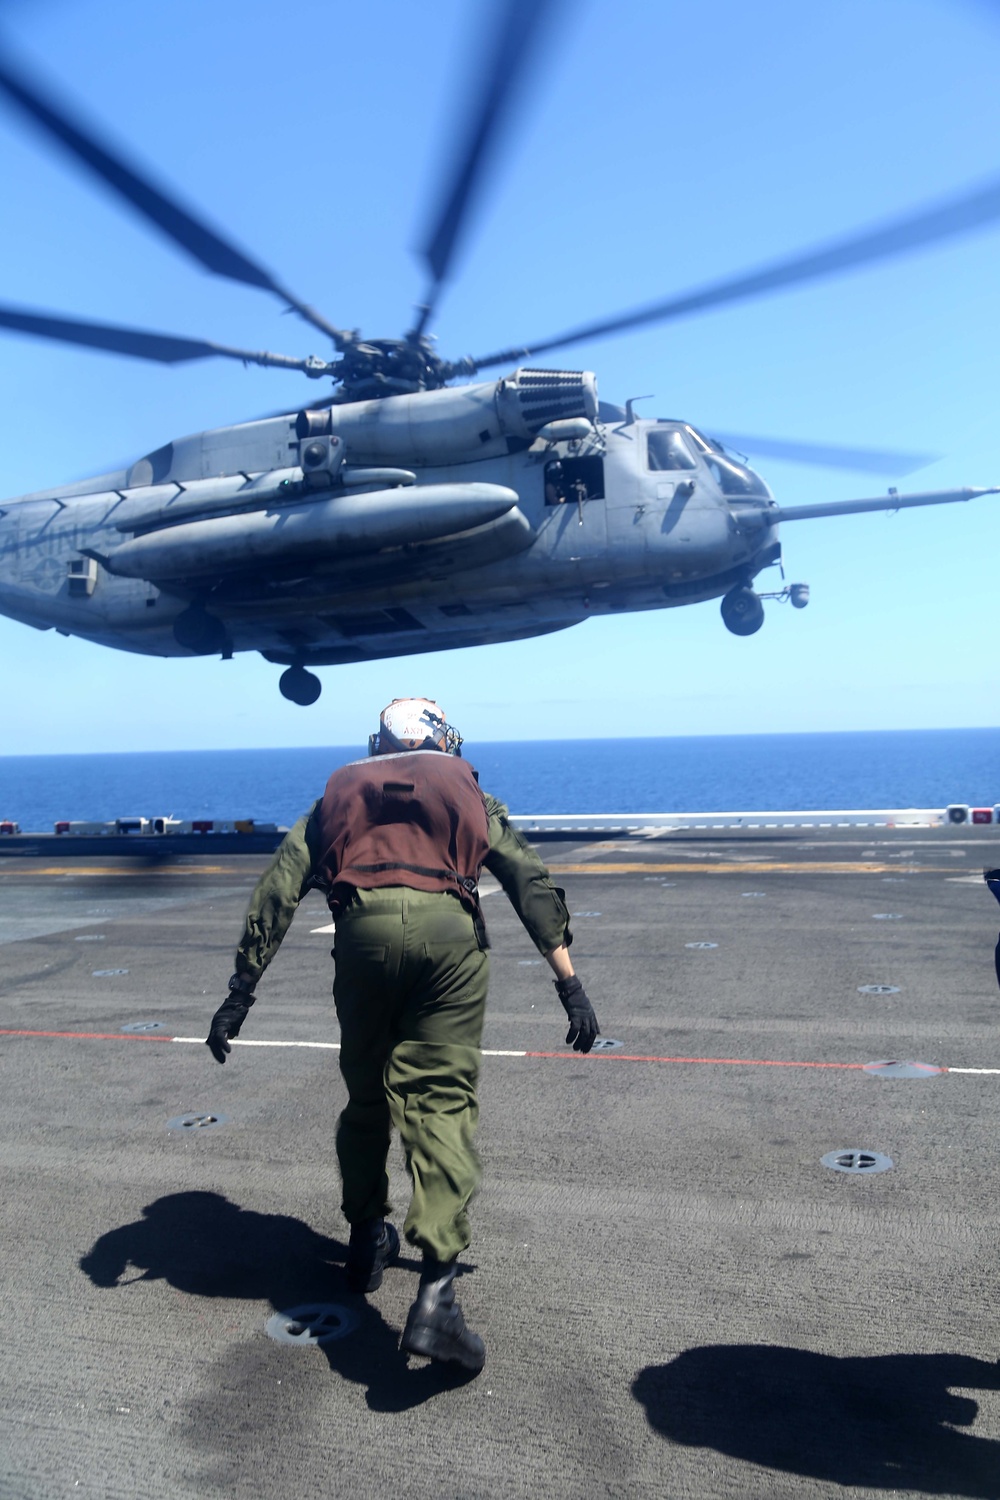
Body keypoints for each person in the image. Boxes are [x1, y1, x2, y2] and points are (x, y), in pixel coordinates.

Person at [205, 698, 599, 1374]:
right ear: (441, 739)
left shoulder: (340, 791)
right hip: (448, 939)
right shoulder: (466, 785)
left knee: (366, 1099)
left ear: (379, 741)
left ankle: (364, 1241)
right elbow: (527, 879)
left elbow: (280, 887)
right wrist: (568, 982)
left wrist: (241, 989)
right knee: (440, 1103)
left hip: (362, 937)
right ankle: (437, 1295)